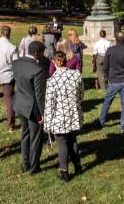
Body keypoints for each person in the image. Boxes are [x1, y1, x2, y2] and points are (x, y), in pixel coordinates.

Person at [44, 51, 84, 182]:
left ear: (54, 62)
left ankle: (64, 172)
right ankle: (78, 166)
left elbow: (49, 104)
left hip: (59, 117)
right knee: (72, 140)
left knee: (62, 144)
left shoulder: (52, 81)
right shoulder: (76, 75)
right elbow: (81, 95)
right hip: (73, 114)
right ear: (66, 61)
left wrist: (48, 125)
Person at [12, 41, 47, 174]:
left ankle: (25, 163)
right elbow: (39, 95)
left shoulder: (17, 63)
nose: (43, 55)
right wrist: (42, 113)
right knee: (36, 137)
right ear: (37, 53)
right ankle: (34, 167)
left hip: (20, 103)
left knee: (25, 134)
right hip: (33, 108)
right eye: (42, 53)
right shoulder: (38, 70)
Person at [98, 32, 124, 133]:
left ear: (115, 39)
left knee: (107, 102)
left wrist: (107, 77)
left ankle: (101, 122)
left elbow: (105, 67)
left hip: (114, 81)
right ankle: (123, 127)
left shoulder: (110, 50)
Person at [0, 25, 19, 132]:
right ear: (9, 34)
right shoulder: (12, 47)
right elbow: (16, 63)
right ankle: (10, 124)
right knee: (9, 100)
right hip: (8, 76)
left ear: (1, 33)